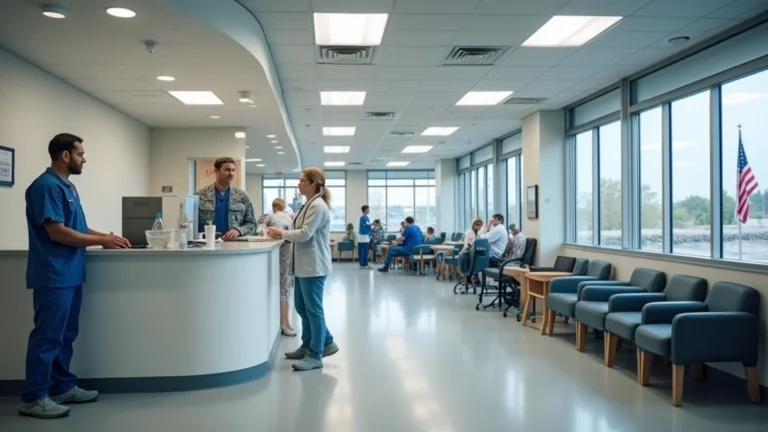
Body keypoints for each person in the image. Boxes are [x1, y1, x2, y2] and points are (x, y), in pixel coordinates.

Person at [20, 133, 131, 419]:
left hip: (70, 273)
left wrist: (106, 236)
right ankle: (34, 397)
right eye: (80, 153)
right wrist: (101, 242)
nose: (84, 158)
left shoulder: (66, 186)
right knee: (47, 337)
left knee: (65, 335)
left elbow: (77, 226)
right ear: (65, 155)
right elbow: (57, 232)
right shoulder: (46, 186)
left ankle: (61, 386)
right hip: (53, 274)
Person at [266, 167, 338, 371]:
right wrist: (284, 232)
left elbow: (305, 234)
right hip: (303, 266)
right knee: (301, 307)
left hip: (314, 267)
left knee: (314, 311)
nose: (298, 184)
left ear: (313, 183)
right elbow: (299, 229)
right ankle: (310, 344)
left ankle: (316, 354)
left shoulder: (318, 206)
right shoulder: (309, 204)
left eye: (302, 180)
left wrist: (281, 233)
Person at [259, 198, 296, 337]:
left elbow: (261, 231)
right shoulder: (289, 217)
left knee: (281, 287)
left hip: (279, 256)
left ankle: (283, 324)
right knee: (285, 286)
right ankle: (286, 322)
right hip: (288, 255)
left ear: (273, 207)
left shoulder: (271, 217)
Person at [195, 157, 257, 241]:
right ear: (216, 171)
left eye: (233, 170)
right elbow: (191, 222)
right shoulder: (201, 195)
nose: (231, 173)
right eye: (227, 170)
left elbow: (252, 224)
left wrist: (238, 231)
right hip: (206, 244)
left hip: (233, 245)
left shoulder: (242, 196)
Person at [458, 218, 485, 283]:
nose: (478, 227)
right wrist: (461, 252)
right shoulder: (469, 232)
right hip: (469, 250)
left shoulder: (479, 232)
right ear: (473, 225)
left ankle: (475, 277)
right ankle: (469, 276)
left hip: (477, 251)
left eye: (480, 225)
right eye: (477, 225)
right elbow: (466, 245)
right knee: (466, 258)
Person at [358, 205, 372, 269]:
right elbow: (367, 225)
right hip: (363, 236)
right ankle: (363, 264)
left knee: (365, 251)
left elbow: (368, 225)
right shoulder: (362, 217)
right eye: (368, 209)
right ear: (365, 210)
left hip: (365, 236)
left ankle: (363, 264)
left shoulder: (367, 217)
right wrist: (372, 224)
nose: (369, 210)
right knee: (364, 251)